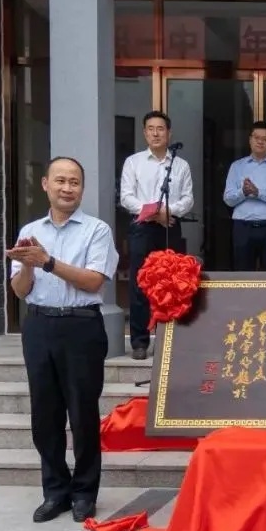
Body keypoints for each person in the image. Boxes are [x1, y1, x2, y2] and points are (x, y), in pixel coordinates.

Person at [6, 157, 119, 523]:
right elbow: (20, 290)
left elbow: (94, 281)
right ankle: (55, 491)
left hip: (81, 328)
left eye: (74, 182)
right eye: (60, 181)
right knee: (45, 415)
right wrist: (27, 264)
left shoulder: (97, 230)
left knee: (83, 414)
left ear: (81, 188)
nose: (67, 188)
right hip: (39, 326)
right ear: (45, 184)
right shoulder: (30, 230)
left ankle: (84, 492)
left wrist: (47, 261)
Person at [118, 110, 194, 360]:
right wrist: (151, 212)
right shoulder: (133, 162)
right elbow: (126, 197)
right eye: (150, 129)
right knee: (140, 283)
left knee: (172, 282)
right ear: (144, 133)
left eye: (160, 129)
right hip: (142, 227)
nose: (155, 133)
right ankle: (140, 341)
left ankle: (170, 340)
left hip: (170, 225)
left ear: (169, 133)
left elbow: (188, 199)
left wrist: (167, 212)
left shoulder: (180, 165)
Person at [223, 121, 266, 271]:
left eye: (265, 139)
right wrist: (244, 192)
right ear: (250, 140)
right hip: (243, 227)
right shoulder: (237, 166)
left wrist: (258, 192)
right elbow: (228, 199)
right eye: (257, 137)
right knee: (242, 275)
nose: (260, 142)